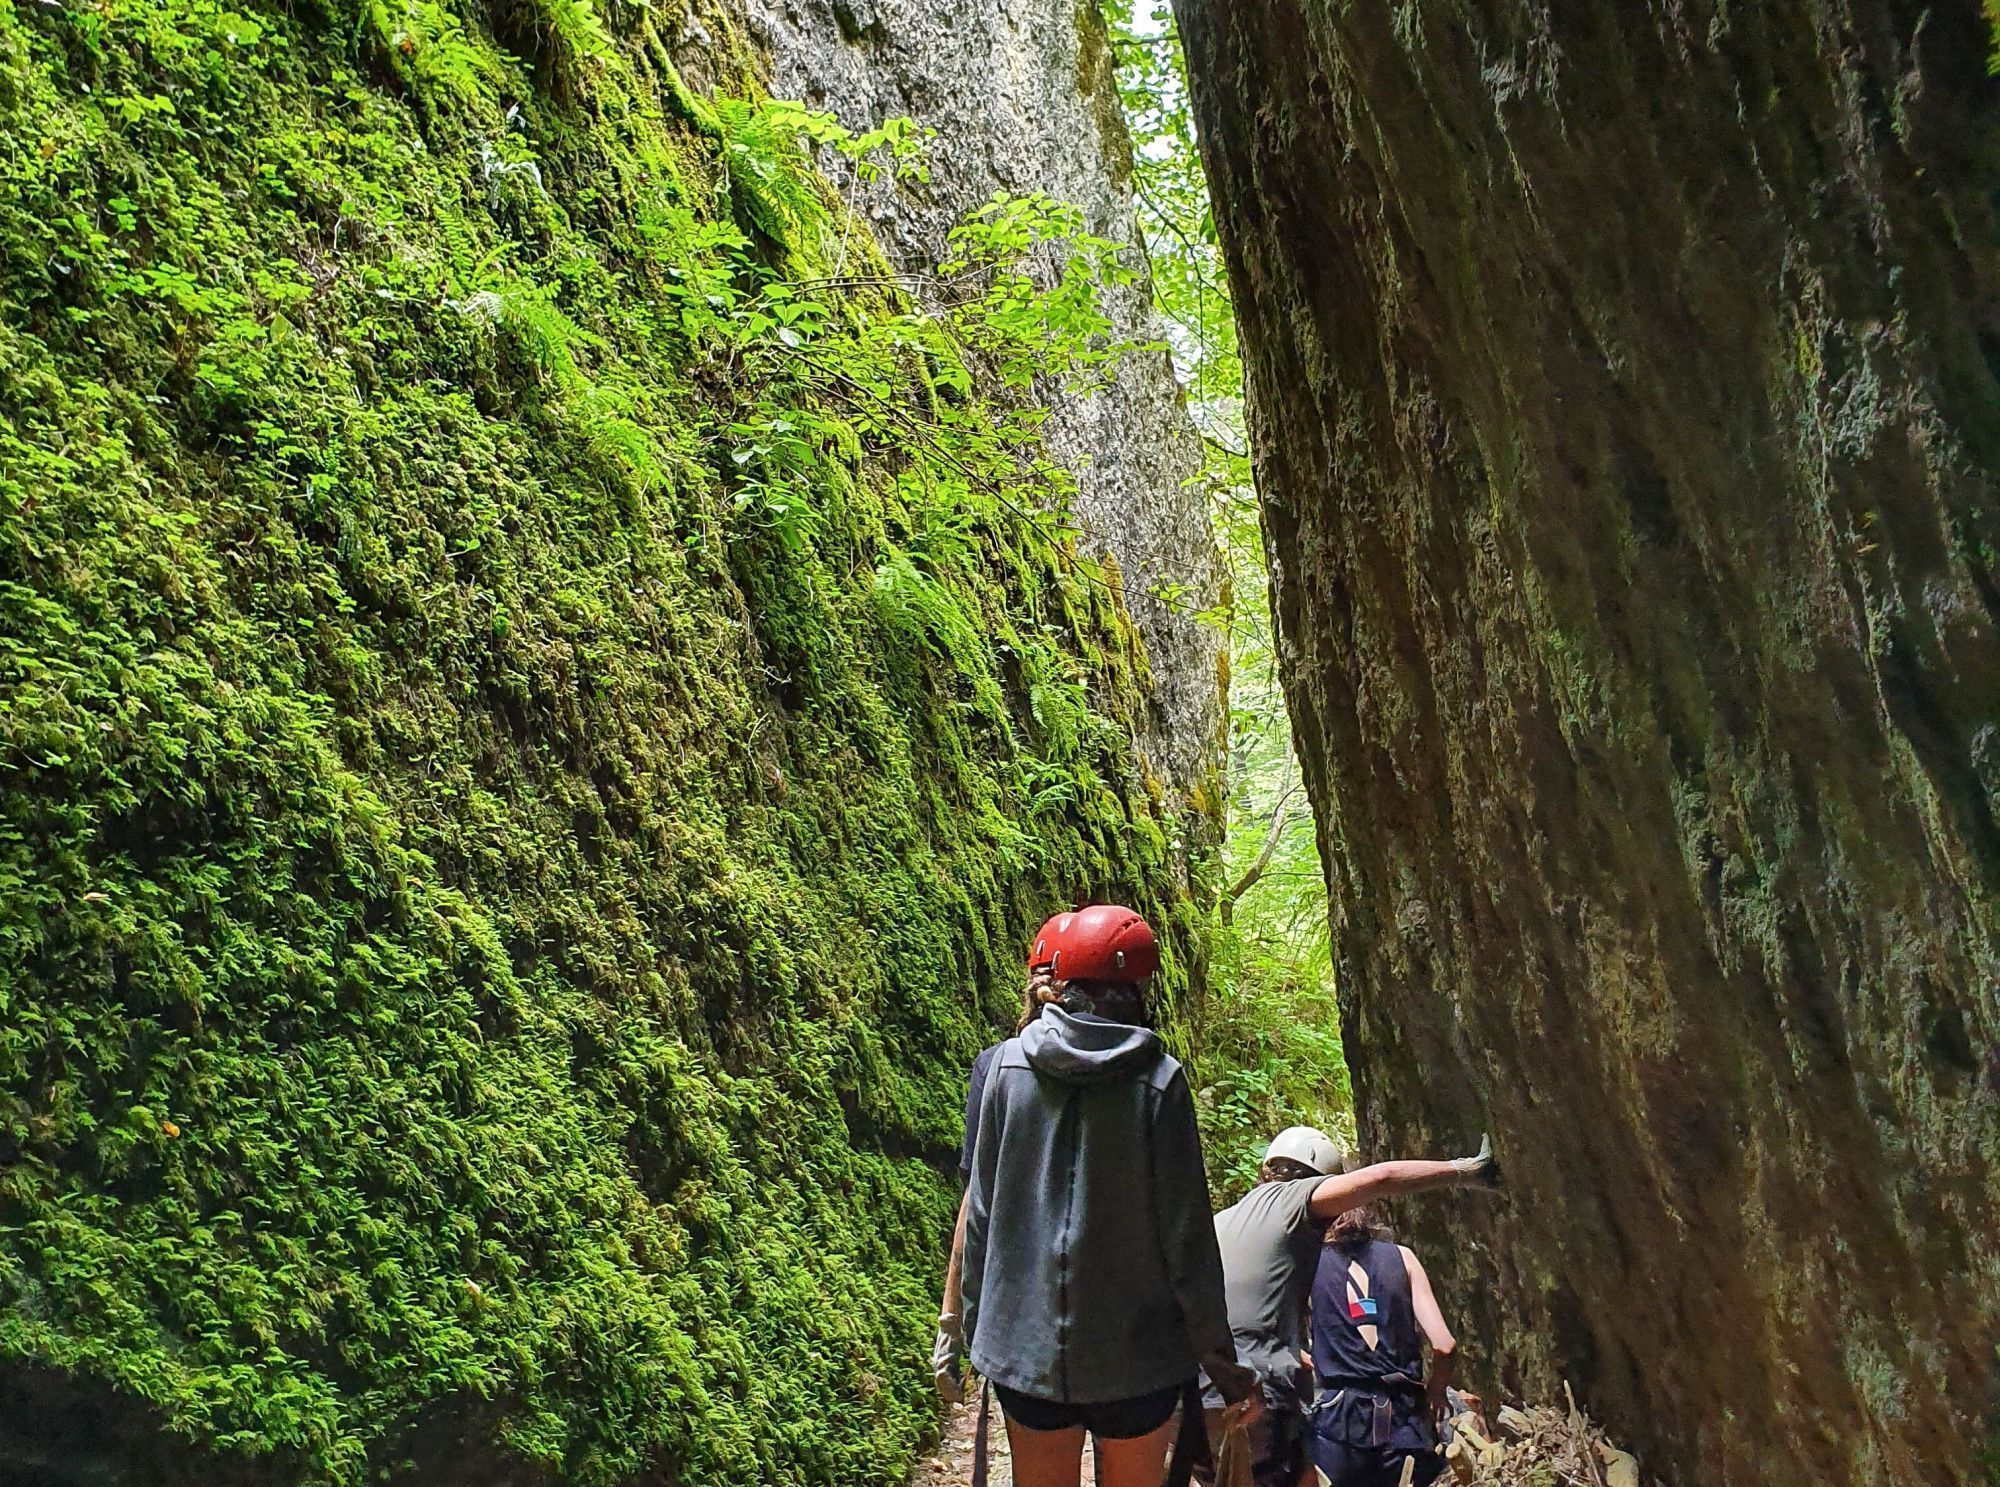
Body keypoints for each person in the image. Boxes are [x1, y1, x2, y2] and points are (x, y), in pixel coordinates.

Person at [961, 904, 1259, 1487]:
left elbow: (982, 1215)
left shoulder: (1005, 1071)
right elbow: (1188, 1244)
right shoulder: (1160, 1082)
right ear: (1135, 992)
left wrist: (976, 1331)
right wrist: (1226, 1370)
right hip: (1137, 1361)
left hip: (1024, 1354)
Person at [1201, 1128, 1496, 1487]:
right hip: (1370, 1418)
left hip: (1209, 1390)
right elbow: (1382, 1177)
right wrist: (1467, 1170)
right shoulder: (1302, 1206)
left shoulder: (1222, 1224)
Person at [932, 913, 1074, 1403]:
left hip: (1017, 1313)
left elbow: (977, 1201)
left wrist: (952, 1322)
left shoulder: (996, 1064)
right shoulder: (1141, 1068)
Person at [1304, 1202, 1458, 1487]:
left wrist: (1316, 1361)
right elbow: (1444, 1345)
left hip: (1339, 1428)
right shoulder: (1404, 1257)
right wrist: (1435, 1392)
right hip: (1404, 1424)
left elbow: (1281, 1340)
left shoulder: (1307, 1264)